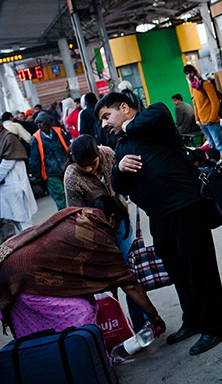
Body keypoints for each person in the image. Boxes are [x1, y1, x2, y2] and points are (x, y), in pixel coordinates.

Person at [95, 92, 222, 355]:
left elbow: (157, 113)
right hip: (159, 217)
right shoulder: (123, 144)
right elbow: (119, 186)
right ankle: (193, 320)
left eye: (106, 116)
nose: (103, 124)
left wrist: (127, 124)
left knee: (200, 268)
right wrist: (120, 167)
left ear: (124, 108)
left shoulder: (154, 121)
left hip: (185, 208)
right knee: (178, 270)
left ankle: (215, 326)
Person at [0, 203, 166, 339]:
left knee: (35, 334)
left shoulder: (78, 214)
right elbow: (130, 284)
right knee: (83, 311)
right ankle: (83, 362)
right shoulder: (97, 234)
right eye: (117, 227)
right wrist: (154, 316)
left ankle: (56, 366)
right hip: (21, 280)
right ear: (111, 219)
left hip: (5, 270)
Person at [64, 134, 150, 332]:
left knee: (131, 271)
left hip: (120, 219)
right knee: (108, 281)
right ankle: (118, 329)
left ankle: (142, 323)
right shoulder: (72, 178)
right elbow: (76, 216)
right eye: (82, 165)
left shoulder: (109, 155)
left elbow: (121, 181)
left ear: (97, 154)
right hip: (96, 231)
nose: (88, 169)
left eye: (91, 163)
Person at [0, 117, 37, 230]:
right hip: (9, 187)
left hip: (15, 186)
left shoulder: (8, 138)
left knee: (24, 221)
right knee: (17, 219)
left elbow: (7, 163)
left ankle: (31, 244)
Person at [30, 112, 70, 210]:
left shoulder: (59, 132)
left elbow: (68, 147)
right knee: (60, 196)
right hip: (51, 173)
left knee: (70, 194)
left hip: (66, 169)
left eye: (41, 122)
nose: (39, 125)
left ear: (48, 122)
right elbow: (35, 159)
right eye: (37, 123)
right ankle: (65, 218)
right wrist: (39, 176)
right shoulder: (36, 138)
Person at [183, 65, 222, 155]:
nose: (189, 76)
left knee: (219, 145)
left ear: (195, 72)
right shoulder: (193, 88)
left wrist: (212, 118)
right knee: (212, 146)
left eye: (190, 73)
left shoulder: (206, 84)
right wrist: (197, 120)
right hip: (202, 123)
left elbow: (215, 102)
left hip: (212, 122)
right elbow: (195, 105)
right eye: (186, 74)